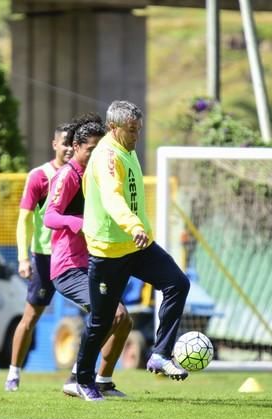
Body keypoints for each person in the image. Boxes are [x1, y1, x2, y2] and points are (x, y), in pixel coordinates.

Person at [74, 100, 191, 401]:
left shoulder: (127, 146)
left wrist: (141, 231)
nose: (137, 135)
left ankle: (160, 354)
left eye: (139, 129)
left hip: (136, 245)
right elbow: (113, 199)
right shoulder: (107, 157)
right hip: (109, 250)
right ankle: (82, 380)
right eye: (131, 130)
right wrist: (133, 225)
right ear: (113, 129)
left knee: (177, 283)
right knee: (102, 322)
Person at [43, 113, 133, 398]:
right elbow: (50, 217)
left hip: (95, 261)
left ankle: (103, 380)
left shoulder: (97, 174)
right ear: (78, 147)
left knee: (124, 319)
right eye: (90, 150)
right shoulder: (67, 175)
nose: (95, 155)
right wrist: (80, 223)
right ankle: (76, 378)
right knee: (111, 314)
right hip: (69, 266)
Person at [4, 123, 72, 392]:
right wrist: (23, 258)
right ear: (54, 144)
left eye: (73, 143)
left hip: (74, 257)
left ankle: (84, 374)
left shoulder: (83, 175)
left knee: (99, 312)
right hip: (44, 257)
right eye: (64, 142)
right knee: (31, 317)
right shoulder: (39, 176)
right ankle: (13, 373)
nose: (69, 148)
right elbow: (25, 219)